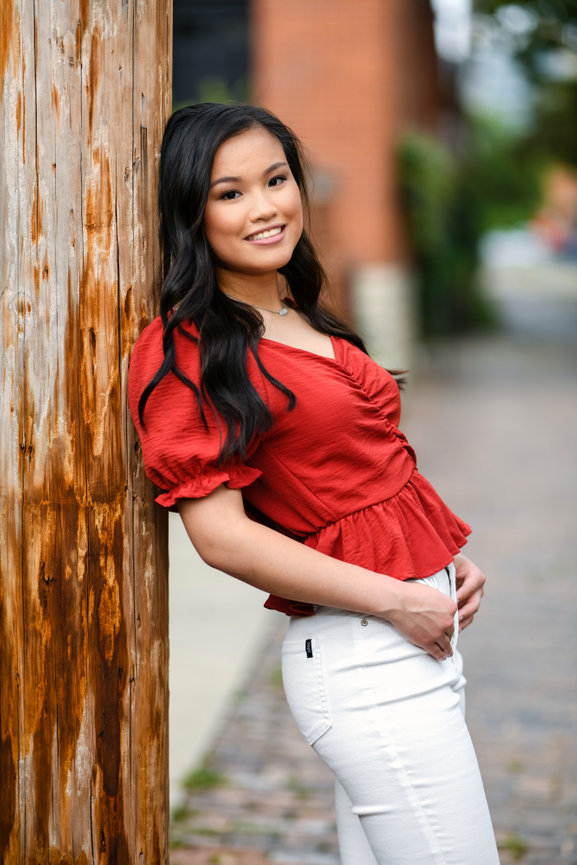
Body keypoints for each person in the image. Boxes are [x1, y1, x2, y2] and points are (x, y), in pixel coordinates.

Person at [128, 103, 500, 865]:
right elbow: (221, 535)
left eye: (275, 178)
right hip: (363, 654)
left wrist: (438, 560)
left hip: (408, 638)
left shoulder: (300, 313)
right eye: (229, 192)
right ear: (188, 211)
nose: (266, 206)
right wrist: (398, 595)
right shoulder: (189, 348)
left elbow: (362, 467)